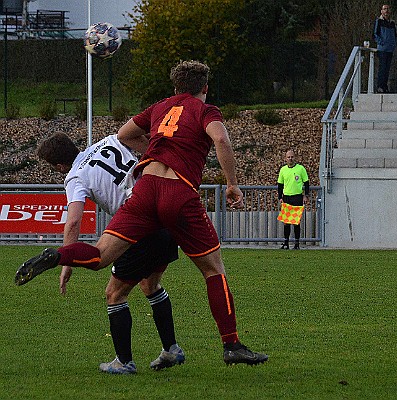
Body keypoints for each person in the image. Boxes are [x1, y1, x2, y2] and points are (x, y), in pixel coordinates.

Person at [15, 60, 268, 368]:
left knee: (100, 256)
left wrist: (157, 145)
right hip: (178, 192)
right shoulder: (205, 110)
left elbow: (125, 133)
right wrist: (231, 184)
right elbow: (222, 139)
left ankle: (57, 256)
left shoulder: (159, 107)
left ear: (174, 88)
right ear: (204, 88)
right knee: (213, 270)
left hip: (144, 191)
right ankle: (231, 345)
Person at [34, 132, 185, 373]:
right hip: (165, 213)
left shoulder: (75, 176)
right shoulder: (109, 140)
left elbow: (73, 222)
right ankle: (171, 350)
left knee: (114, 294)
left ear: (60, 165)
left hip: (139, 223)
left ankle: (124, 362)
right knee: (150, 286)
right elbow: (143, 141)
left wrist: (67, 263)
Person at [277, 150, 309, 250]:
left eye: (292, 157)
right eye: (288, 157)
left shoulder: (301, 169)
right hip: (286, 197)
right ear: (285, 158)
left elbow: (306, 183)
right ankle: (286, 243)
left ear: (295, 157)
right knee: (286, 222)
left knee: (296, 222)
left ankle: (296, 243)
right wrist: (280, 197)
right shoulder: (283, 170)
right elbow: (280, 185)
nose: (290, 159)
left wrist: (305, 195)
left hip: (297, 197)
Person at [374, 4, 397, 93]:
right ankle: (380, 86)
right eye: (384, 9)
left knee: (387, 69)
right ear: (381, 11)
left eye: (387, 9)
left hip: (390, 49)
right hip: (382, 49)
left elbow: (394, 35)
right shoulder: (378, 21)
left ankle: (385, 86)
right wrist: (381, 43)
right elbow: (375, 34)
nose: (386, 11)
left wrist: (393, 44)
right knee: (382, 68)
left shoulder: (392, 23)